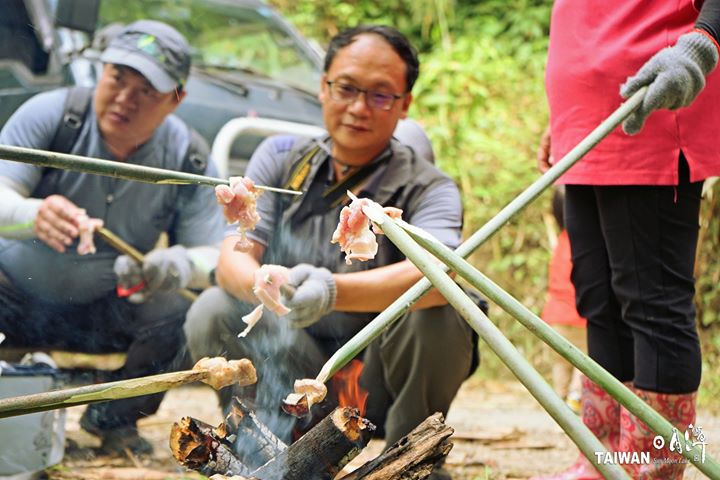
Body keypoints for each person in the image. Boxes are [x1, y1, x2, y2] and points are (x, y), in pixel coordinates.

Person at [184, 25, 477, 480]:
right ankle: (260, 448)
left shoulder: (429, 187)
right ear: (323, 87)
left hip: (383, 377)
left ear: (405, 106)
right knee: (213, 307)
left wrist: (331, 290)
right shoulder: (281, 160)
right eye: (346, 88)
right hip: (298, 362)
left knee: (438, 310)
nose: (359, 107)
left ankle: (411, 459)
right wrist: (263, 283)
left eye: (381, 95)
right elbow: (232, 258)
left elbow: (444, 274)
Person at [0, 20, 224, 455]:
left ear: (176, 99)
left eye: (146, 90)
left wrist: (178, 265)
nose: (124, 98)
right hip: (13, 295)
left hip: (108, 306)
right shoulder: (53, 114)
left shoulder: (189, 157)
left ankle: (114, 420)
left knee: (181, 312)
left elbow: (214, 254)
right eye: (117, 78)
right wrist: (31, 215)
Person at [533, 1, 720, 479]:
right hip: (584, 123)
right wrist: (563, 111)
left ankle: (651, 468)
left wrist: (701, 45)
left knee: (650, 301)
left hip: (651, 106)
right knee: (597, 298)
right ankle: (604, 460)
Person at [539, 187, 587, 414]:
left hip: (555, 317)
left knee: (561, 363)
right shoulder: (587, 243)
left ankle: (559, 403)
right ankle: (576, 397)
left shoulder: (561, 242)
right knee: (585, 363)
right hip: (579, 316)